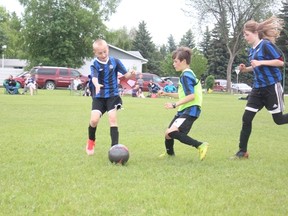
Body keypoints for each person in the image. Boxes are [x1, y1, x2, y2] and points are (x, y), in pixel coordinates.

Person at [231, 16, 288, 159]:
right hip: (257, 89)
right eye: (244, 35)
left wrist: (262, 63)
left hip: (271, 87)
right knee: (246, 118)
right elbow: (256, 65)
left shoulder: (266, 44)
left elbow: (280, 62)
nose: (245, 37)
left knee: (279, 120)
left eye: (247, 34)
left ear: (256, 32)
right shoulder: (252, 50)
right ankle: (242, 152)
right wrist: (246, 69)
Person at [86, 39, 136, 155]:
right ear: (95, 53)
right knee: (94, 120)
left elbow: (125, 76)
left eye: (105, 52)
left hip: (113, 95)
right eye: (100, 53)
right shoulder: (94, 64)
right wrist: (97, 84)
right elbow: (93, 77)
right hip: (99, 96)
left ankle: (115, 148)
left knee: (112, 119)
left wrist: (131, 73)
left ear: (107, 49)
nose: (103, 55)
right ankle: (91, 140)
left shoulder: (115, 61)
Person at [158, 47, 209, 161]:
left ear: (184, 61)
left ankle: (200, 145)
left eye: (176, 61)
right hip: (185, 109)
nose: (173, 64)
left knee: (172, 132)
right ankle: (170, 155)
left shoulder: (186, 76)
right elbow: (183, 95)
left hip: (191, 109)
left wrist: (174, 105)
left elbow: (191, 96)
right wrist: (166, 93)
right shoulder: (187, 74)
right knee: (168, 133)